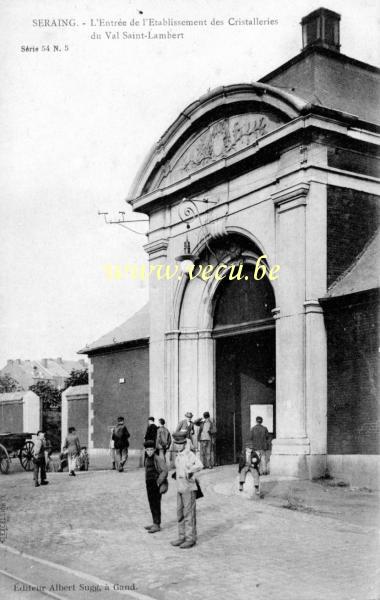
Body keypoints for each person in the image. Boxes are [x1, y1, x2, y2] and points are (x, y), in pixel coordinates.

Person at [170, 432, 203, 549]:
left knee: (189, 514)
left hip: (189, 487)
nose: (179, 446)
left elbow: (200, 465)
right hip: (180, 487)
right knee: (180, 513)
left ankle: (190, 539)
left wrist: (190, 471)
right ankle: (182, 536)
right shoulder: (178, 455)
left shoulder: (190, 454)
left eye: (181, 444)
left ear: (185, 443)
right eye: (177, 444)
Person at [143, 440, 169, 534]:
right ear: (145, 450)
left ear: (154, 450)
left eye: (151, 450)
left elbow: (165, 470)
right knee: (151, 503)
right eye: (147, 450)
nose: (149, 451)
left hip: (156, 485)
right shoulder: (146, 459)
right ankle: (154, 522)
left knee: (156, 504)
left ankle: (157, 524)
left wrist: (159, 481)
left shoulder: (158, 458)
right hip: (149, 484)